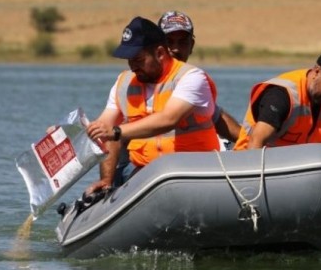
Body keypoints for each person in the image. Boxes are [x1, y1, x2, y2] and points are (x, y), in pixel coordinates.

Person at [84, 16, 220, 196]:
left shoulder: (191, 78)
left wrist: (117, 131)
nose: (133, 66)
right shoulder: (123, 82)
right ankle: (110, 188)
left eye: (138, 60)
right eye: (129, 59)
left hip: (194, 171)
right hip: (143, 170)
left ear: (160, 54)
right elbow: (102, 126)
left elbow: (168, 119)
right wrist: (68, 134)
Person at [233, 51, 321, 150]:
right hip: (253, 166)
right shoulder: (282, 95)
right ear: (316, 72)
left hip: (297, 171)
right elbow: (256, 142)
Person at [157, 10, 241, 142]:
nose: (176, 49)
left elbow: (216, 117)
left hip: (193, 159)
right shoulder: (139, 79)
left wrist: (253, 143)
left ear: (191, 46)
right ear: (157, 46)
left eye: (183, 42)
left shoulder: (194, 80)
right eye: (169, 42)